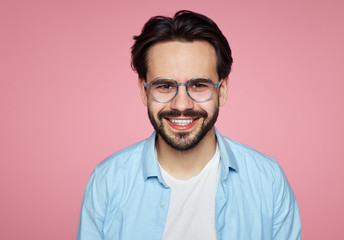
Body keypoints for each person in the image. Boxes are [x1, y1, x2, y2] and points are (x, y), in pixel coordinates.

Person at [77, 10, 301, 240]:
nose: (181, 104)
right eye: (164, 86)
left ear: (222, 91)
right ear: (144, 92)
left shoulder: (267, 180)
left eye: (198, 85)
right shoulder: (108, 180)